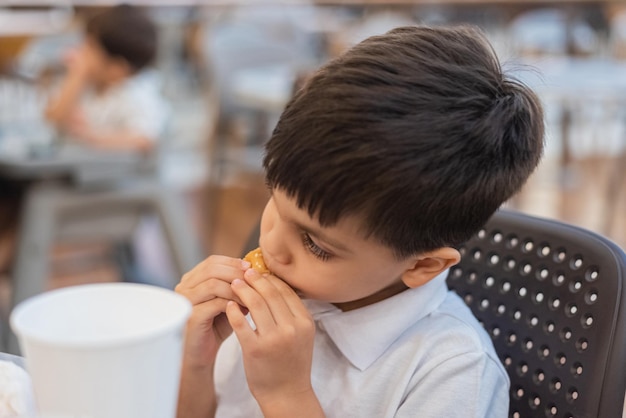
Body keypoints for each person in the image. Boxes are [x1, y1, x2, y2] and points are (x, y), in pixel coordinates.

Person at [175, 25, 544, 418]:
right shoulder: (260, 309)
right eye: (274, 203)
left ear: (422, 265)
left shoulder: (452, 373)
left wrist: (286, 396)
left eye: (315, 245)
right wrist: (193, 361)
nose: (272, 247)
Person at [45, 4, 167, 153]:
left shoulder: (138, 92)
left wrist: (91, 137)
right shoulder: (84, 83)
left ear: (117, 69)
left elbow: (144, 139)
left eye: (90, 47)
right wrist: (77, 76)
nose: (81, 50)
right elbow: (53, 118)